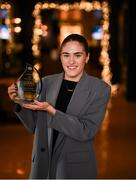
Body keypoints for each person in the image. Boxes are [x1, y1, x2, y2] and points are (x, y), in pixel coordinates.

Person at [8, 34, 111, 179]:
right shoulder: (46, 82)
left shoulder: (100, 89)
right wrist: (19, 101)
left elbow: (86, 131)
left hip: (75, 167)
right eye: (66, 55)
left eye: (78, 55)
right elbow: (34, 126)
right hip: (43, 164)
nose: (71, 61)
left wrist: (51, 110)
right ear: (60, 57)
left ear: (86, 57)